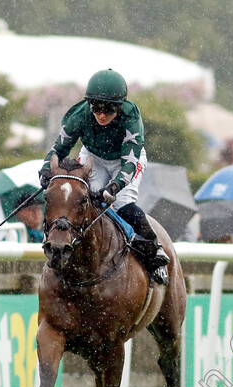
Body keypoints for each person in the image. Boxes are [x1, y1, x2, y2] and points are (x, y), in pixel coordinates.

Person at [40, 69, 169, 284]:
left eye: (109, 109)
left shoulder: (131, 119)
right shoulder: (79, 115)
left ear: (119, 107)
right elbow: (58, 148)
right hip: (94, 157)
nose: (101, 114)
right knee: (86, 200)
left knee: (122, 204)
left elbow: (129, 164)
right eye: (97, 107)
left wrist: (115, 187)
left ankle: (156, 254)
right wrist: (46, 170)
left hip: (126, 159)